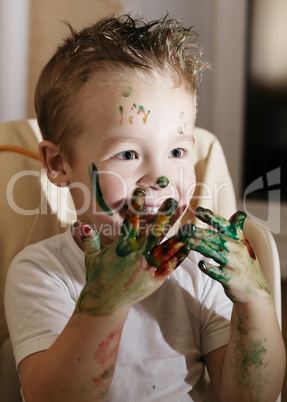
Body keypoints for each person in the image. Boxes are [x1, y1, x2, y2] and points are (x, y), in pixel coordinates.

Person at [4, 14, 285, 402]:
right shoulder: (41, 273)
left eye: (177, 151)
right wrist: (105, 304)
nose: (161, 177)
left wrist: (255, 302)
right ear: (57, 165)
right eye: (128, 153)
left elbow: (249, 396)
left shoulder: (200, 271)